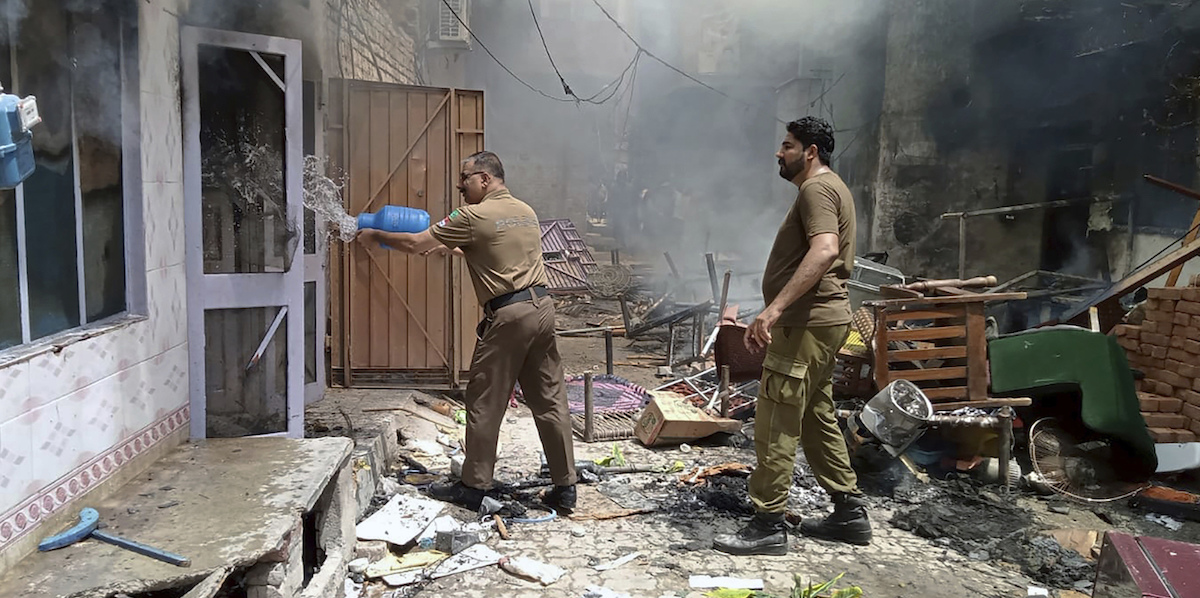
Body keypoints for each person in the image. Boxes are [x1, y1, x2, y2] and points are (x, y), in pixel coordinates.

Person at [355, 151, 577, 513]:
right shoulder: (525, 211)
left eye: (466, 178)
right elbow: (497, 249)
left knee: (484, 399)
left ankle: (474, 486)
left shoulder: (473, 215)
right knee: (549, 399)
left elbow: (414, 243)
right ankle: (565, 486)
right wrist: (454, 250)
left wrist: (375, 233)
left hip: (509, 316)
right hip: (543, 311)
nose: (460, 185)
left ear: (485, 179)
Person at [713, 117, 870, 556]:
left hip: (806, 323)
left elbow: (825, 249)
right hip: (824, 322)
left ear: (811, 151)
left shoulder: (816, 189)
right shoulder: (832, 187)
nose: (779, 154)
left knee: (777, 416)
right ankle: (848, 511)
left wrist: (774, 309)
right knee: (814, 414)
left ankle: (767, 523)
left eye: (787, 146)